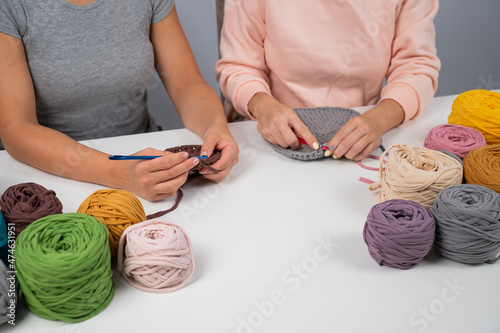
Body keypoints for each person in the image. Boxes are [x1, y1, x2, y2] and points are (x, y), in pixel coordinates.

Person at [0, 0, 239, 202]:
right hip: (50, 177)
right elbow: (16, 129)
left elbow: (186, 84)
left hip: (142, 161)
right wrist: (116, 172)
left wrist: (214, 127)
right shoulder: (11, 6)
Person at [216, 0, 440, 161]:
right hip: (269, 141)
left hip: (363, 135)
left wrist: (379, 119)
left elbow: (415, 66)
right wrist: (263, 106)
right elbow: (239, 65)